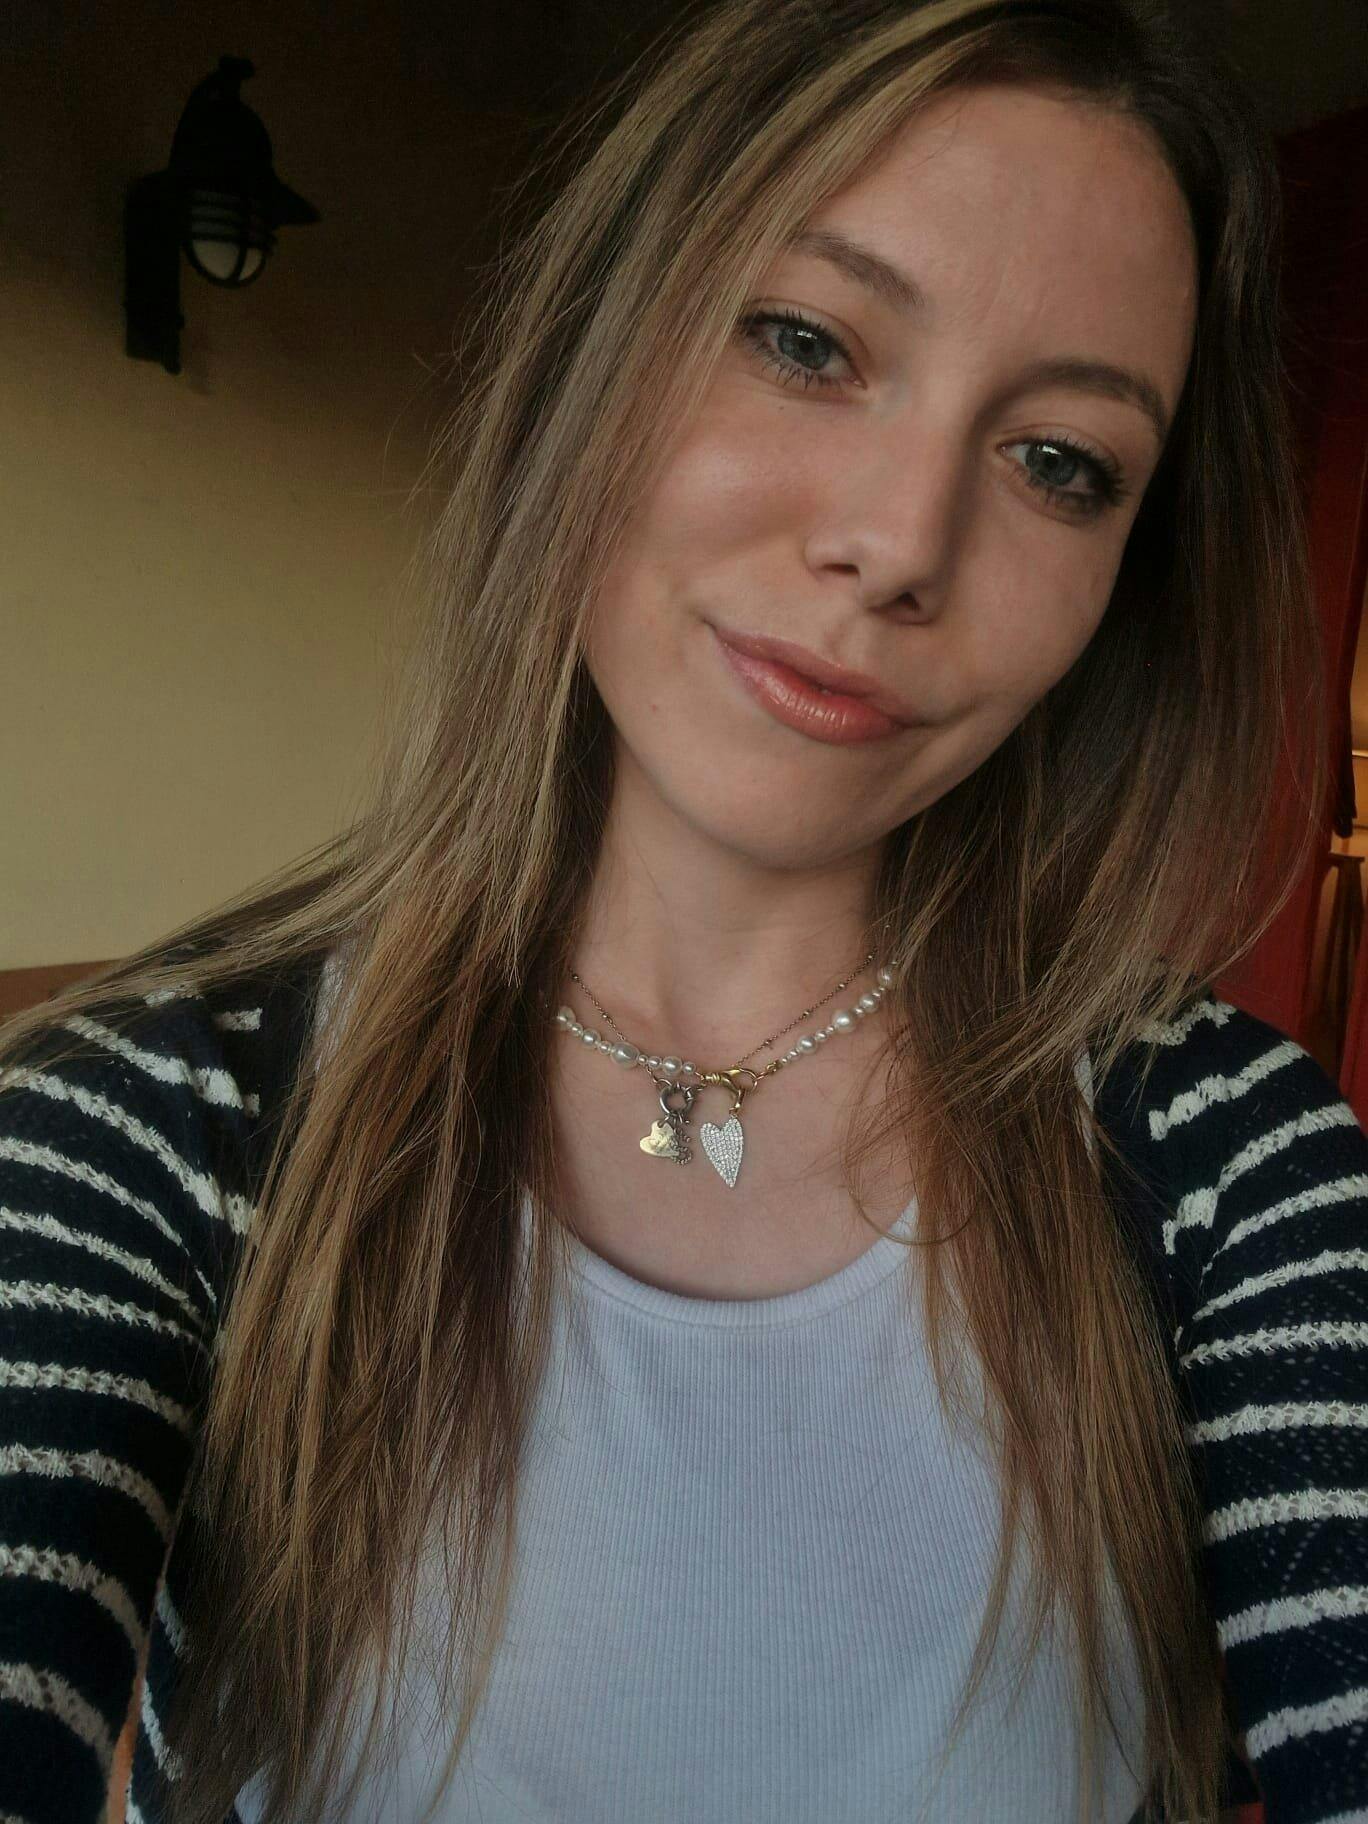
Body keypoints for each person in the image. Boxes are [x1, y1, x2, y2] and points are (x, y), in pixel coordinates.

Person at [0, 1, 1364, 1821]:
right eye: (806, 341)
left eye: (1060, 462)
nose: (902, 542)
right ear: (597, 348)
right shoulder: (151, 1125)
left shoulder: (1232, 1165)